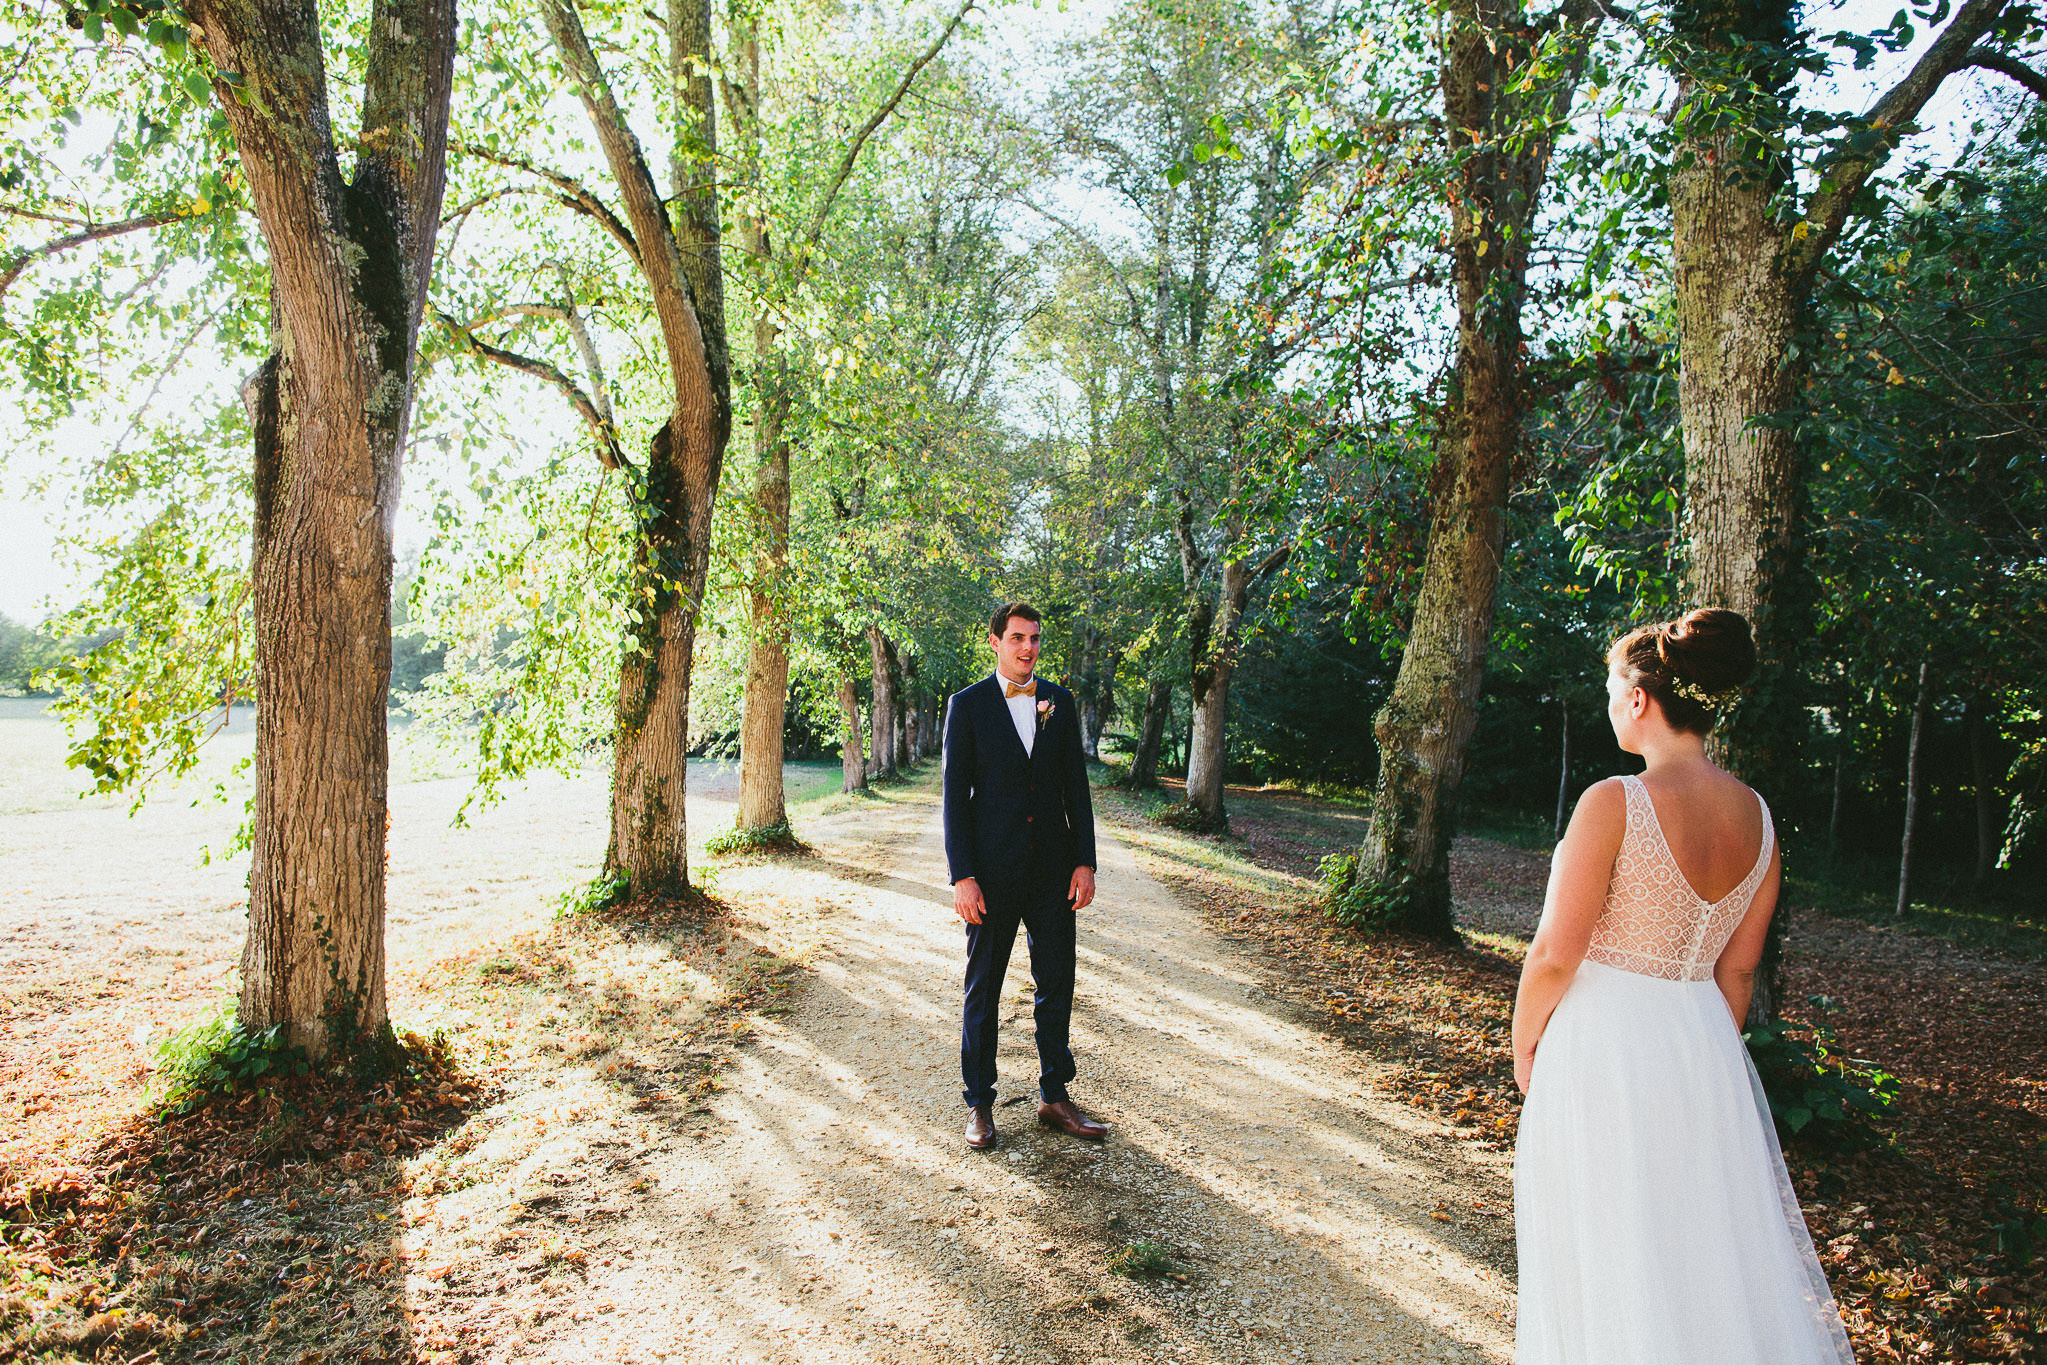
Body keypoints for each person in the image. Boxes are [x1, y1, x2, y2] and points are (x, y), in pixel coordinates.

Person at [1511, 608, 1853, 1365]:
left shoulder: (1613, 801)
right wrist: (1701, 1057)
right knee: (1692, 1248)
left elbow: (1554, 954)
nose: (1607, 702)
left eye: (1610, 687)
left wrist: (1522, 1040)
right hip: (1702, 1044)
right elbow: (1737, 968)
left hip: (1604, 1041)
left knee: (1603, 1241)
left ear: (1637, 698)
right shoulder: (1756, 816)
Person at [942, 602, 1106, 1150]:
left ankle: (1055, 1095)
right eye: (1016, 638)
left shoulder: (1059, 702)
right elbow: (954, 802)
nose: (1027, 648)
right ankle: (980, 1105)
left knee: (1056, 982)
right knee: (983, 988)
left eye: (1034, 639)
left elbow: (1075, 788)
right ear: (995, 641)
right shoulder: (965, 707)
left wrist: (1084, 860)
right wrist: (963, 876)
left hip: (1053, 872)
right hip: (990, 874)